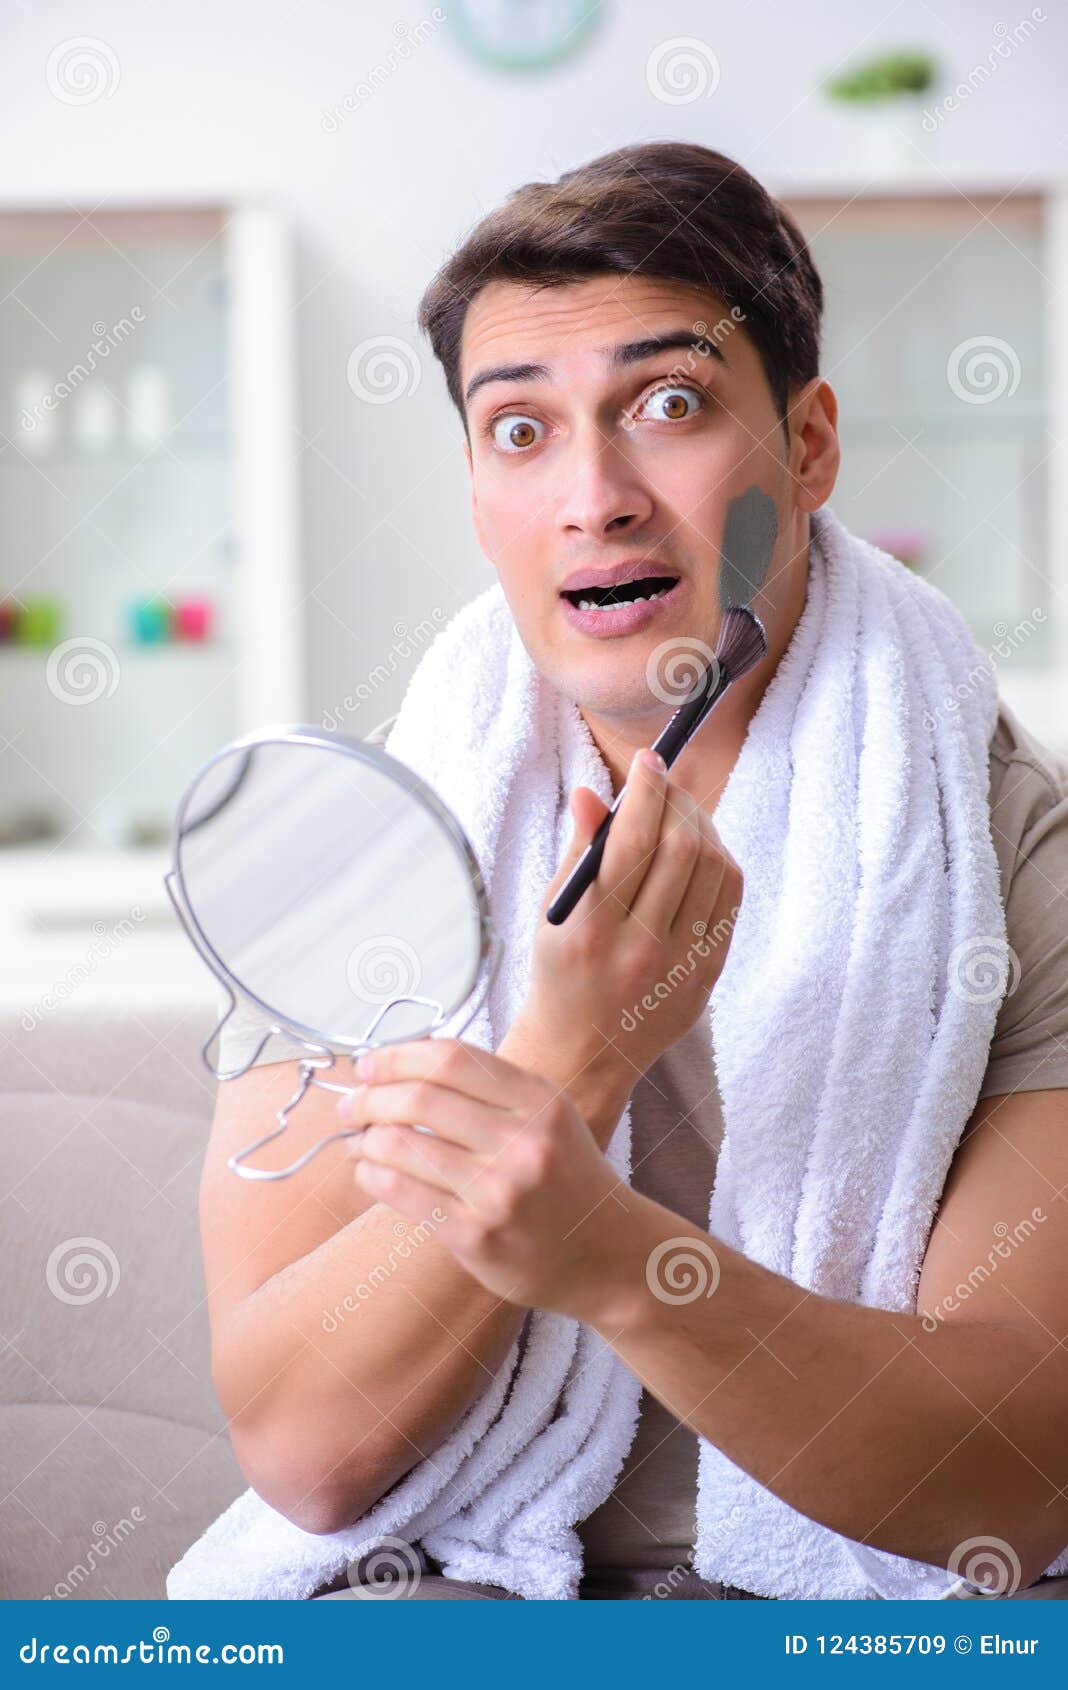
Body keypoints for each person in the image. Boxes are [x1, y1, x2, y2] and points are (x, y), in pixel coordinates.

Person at [190, 142, 1068, 1602]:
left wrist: (604, 1251)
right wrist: (564, 1064)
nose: (593, 496)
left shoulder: (1003, 850)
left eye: (668, 405)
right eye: (520, 430)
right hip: (452, 1584)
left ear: (810, 445)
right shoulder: (350, 841)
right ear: (476, 491)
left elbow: (1018, 1477)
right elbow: (305, 1448)